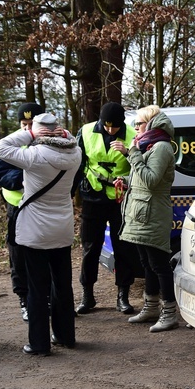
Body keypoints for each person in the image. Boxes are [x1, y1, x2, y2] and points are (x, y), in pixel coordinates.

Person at [0, 113, 82, 355]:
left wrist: (28, 134)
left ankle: (39, 343)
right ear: (60, 131)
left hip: (34, 231)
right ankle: (66, 336)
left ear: (38, 132)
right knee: (63, 285)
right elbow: (72, 141)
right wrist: (66, 135)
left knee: (37, 289)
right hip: (62, 228)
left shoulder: (32, 156)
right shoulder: (75, 155)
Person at [116, 109, 179, 332]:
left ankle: (169, 313)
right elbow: (141, 177)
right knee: (147, 264)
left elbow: (152, 180)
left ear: (151, 124)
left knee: (160, 265)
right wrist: (124, 180)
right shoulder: (148, 146)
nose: (135, 128)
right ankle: (151, 307)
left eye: (138, 123)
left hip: (154, 215)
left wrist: (131, 153)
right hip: (142, 214)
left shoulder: (161, 147)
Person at [75, 102, 139, 315]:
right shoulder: (85, 131)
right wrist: (70, 192)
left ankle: (123, 296)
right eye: (107, 126)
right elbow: (78, 163)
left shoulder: (133, 134)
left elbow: (142, 166)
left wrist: (129, 152)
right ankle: (87, 295)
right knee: (90, 247)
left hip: (120, 199)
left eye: (115, 127)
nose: (110, 130)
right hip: (93, 197)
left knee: (124, 248)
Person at [0, 102, 45, 323]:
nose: (27, 129)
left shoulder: (55, 141)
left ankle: (46, 297)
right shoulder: (10, 143)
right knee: (18, 255)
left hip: (43, 207)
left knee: (45, 254)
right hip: (17, 207)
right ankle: (24, 299)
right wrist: (25, 178)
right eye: (24, 124)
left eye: (32, 124)